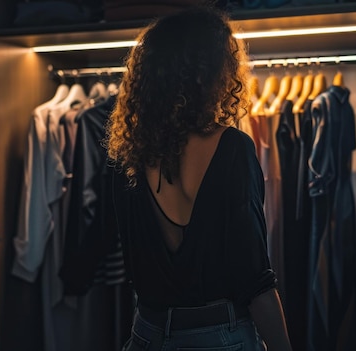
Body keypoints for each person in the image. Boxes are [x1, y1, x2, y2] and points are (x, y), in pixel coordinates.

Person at [105, 5, 292, 351]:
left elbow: (132, 263)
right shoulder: (232, 147)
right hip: (220, 335)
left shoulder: (127, 153)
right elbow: (254, 278)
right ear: (215, 74)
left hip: (146, 334)